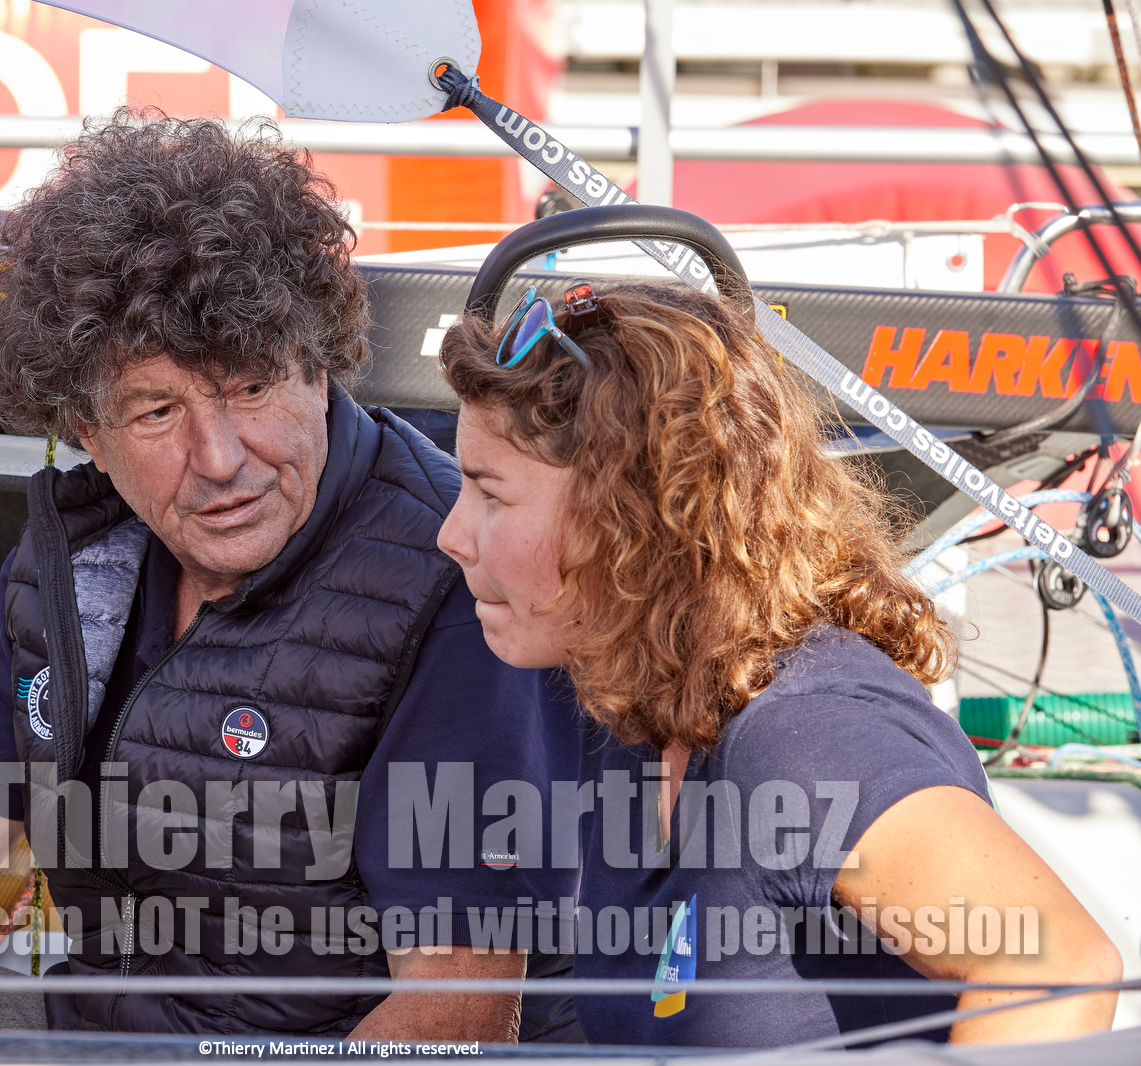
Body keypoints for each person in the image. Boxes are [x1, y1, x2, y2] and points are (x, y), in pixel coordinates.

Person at [0, 113, 583, 1041]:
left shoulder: (451, 577)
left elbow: (461, 1006)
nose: (219, 457)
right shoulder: (71, 563)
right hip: (93, 1035)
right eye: (159, 410)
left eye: (250, 388)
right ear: (87, 429)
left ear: (321, 365)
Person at [433, 277, 1123, 1047]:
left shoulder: (800, 734)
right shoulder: (637, 714)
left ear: (628, 511)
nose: (451, 536)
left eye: (489, 494)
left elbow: (1056, 967)